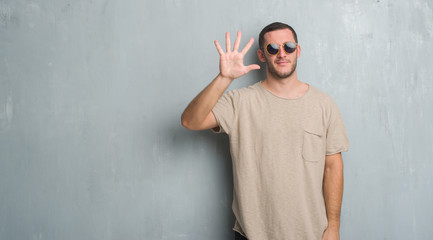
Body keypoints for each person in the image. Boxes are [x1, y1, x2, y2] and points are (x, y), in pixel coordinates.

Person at [181, 22, 349, 240]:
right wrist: (224, 78)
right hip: (252, 234)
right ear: (262, 55)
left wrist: (333, 226)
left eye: (288, 46)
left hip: (311, 234)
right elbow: (190, 121)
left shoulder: (324, 104)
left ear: (298, 50)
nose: (282, 53)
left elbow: (333, 167)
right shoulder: (240, 102)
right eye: (272, 48)